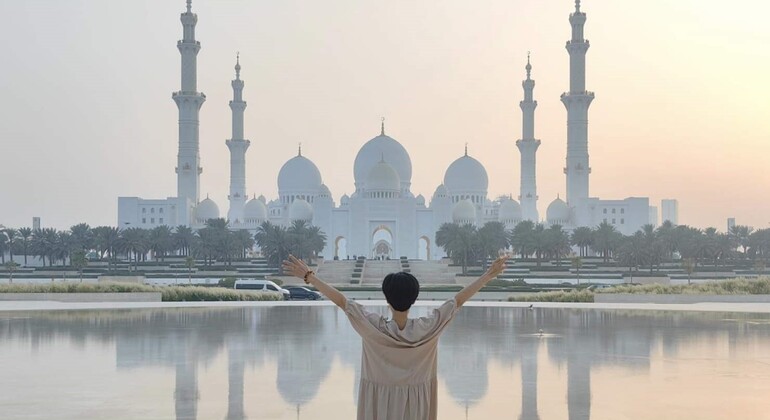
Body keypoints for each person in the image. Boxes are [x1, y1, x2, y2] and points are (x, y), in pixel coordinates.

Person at [282, 254, 509, 420]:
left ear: (387, 300)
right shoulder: (428, 329)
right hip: (417, 406)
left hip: (378, 406)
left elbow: (342, 302)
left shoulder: (373, 328)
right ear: (414, 298)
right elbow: (457, 301)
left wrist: (309, 276)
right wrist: (488, 275)